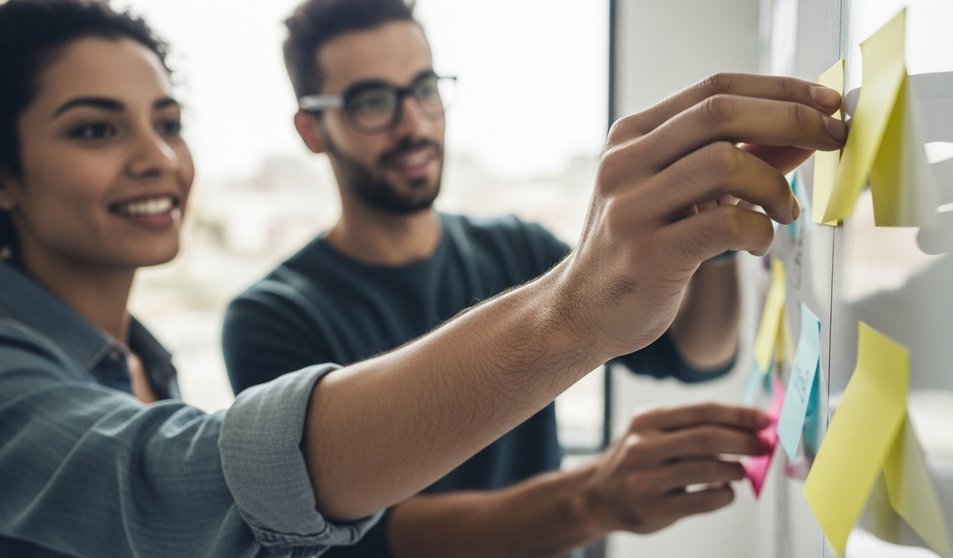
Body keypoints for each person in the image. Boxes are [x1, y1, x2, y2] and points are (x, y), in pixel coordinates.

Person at [0, 0, 843, 556]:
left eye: (169, 122)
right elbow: (252, 505)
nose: (156, 156)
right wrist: (576, 329)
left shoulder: (136, 360)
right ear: (311, 130)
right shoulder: (270, 312)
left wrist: (714, 223)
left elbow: (693, 353)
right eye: (94, 130)